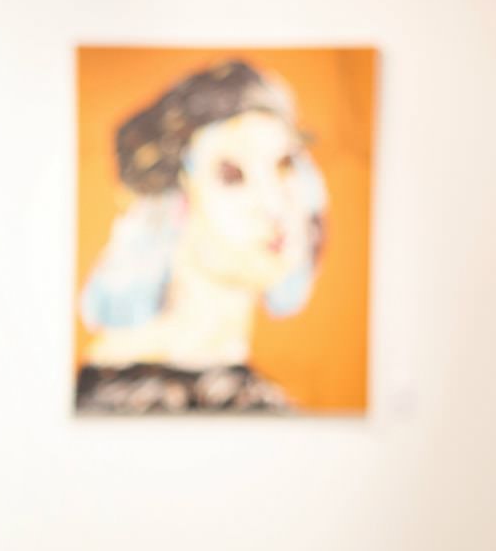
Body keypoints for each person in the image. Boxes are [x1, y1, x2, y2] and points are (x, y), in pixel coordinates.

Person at [77, 60, 326, 413]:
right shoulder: (113, 395)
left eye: (285, 165)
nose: (275, 206)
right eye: (231, 175)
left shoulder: (258, 400)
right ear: (178, 198)